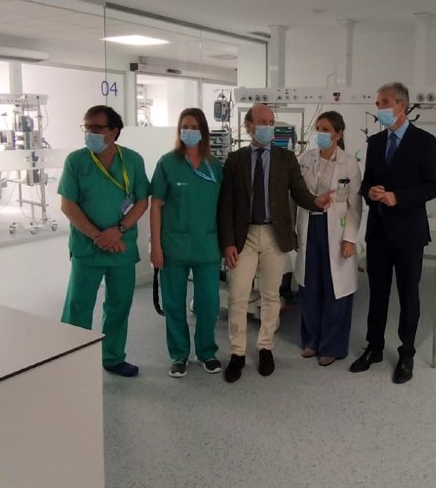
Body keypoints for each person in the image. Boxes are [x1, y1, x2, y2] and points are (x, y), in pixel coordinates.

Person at [217, 104, 332, 383]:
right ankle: (237, 352)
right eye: (263, 122)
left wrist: (316, 201)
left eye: (271, 122)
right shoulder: (235, 160)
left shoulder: (286, 158)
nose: (268, 127)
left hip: (274, 235)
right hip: (244, 236)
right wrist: (227, 242)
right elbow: (226, 204)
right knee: (238, 296)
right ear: (248, 126)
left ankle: (265, 347)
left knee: (270, 295)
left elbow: (300, 193)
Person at [350, 82, 436, 384]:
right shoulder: (376, 142)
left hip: (408, 234)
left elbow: (435, 185)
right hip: (378, 232)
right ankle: (374, 347)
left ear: (401, 105)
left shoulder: (424, 141)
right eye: (377, 103)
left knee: (408, 295)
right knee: (377, 294)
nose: (379, 108)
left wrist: (399, 198)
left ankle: (406, 354)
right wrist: (371, 192)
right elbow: (366, 182)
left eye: (384, 103)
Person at [58, 105, 151, 377]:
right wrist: (100, 237)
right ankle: (71, 359)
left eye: (97, 128)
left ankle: (113, 356)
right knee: (78, 306)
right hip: (88, 247)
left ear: (114, 131)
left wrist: (118, 230)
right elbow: (68, 205)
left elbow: (142, 201)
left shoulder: (132, 160)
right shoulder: (76, 161)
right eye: (87, 127)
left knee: (119, 305)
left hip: (121, 247)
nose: (90, 132)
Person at [150, 108, 225, 378]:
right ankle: (179, 354)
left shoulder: (214, 166)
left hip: (207, 245)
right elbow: (155, 205)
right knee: (173, 303)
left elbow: (222, 207)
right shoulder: (168, 163)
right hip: (173, 246)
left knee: (209, 302)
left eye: (194, 127)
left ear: (203, 131)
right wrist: (155, 246)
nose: (189, 131)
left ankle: (206, 351)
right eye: (185, 126)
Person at [294, 112, 363, 366]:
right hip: (309, 226)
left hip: (337, 229)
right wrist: (292, 229)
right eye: (318, 128)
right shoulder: (305, 158)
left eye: (326, 129)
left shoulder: (349, 163)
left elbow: (355, 204)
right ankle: (311, 341)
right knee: (309, 286)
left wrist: (350, 238)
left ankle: (332, 346)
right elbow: (295, 195)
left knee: (337, 290)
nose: (320, 134)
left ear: (338, 133)